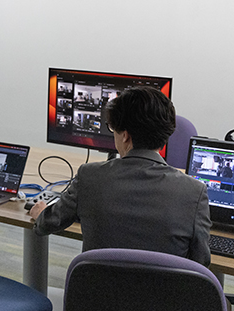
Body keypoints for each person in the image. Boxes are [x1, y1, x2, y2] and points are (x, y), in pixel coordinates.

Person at [29, 86, 212, 266]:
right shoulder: (194, 192)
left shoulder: (90, 176)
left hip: (96, 293)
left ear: (125, 136)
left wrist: (40, 214)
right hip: (162, 295)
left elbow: (49, 223)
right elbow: (201, 262)